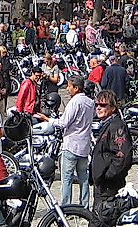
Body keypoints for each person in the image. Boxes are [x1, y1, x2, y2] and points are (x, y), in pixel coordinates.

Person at [35, 74, 96, 207]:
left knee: (67, 178)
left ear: (76, 88)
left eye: (69, 86)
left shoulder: (74, 102)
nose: (67, 89)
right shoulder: (90, 102)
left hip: (71, 145)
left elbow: (63, 123)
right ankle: (85, 205)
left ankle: (66, 206)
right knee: (83, 178)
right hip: (84, 145)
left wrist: (48, 119)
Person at [89, 90, 132, 227]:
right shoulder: (107, 124)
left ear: (112, 107)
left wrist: (107, 175)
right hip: (102, 186)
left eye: (102, 105)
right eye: (96, 105)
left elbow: (123, 156)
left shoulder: (116, 126)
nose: (98, 108)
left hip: (109, 187)